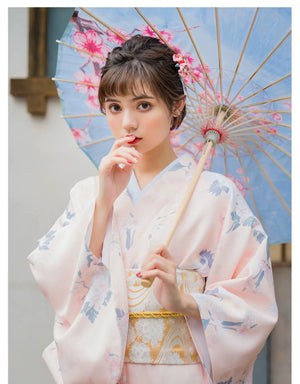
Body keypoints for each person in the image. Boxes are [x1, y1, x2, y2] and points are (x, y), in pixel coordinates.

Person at [28, 35, 278, 384]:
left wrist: (184, 301)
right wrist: (104, 203)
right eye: (115, 107)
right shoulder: (88, 194)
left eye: (143, 105)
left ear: (176, 106)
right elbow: (58, 281)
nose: (128, 122)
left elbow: (254, 304)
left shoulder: (218, 196)